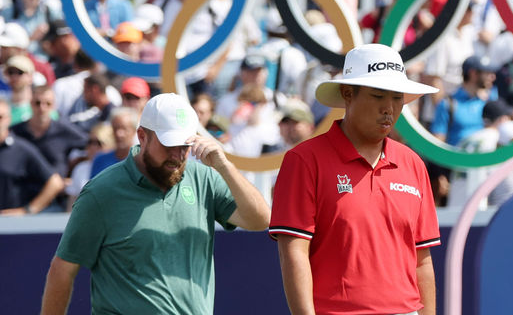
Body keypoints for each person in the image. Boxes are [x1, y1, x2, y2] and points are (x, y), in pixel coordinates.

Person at [41, 93, 271, 313]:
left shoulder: (205, 178)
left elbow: (260, 220)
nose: (178, 155)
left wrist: (225, 166)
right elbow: (63, 269)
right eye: (168, 144)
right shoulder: (101, 191)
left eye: (184, 145)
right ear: (142, 136)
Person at [269, 44, 441, 315]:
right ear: (348, 94)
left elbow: (422, 260)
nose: (389, 108)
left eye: (397, 98)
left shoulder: (413, 163)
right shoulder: (303, 160)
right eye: (378, 96)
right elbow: (294, 253)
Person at [0, 98, 65, 215]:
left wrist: (28, 210)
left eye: (0, 117)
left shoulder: (22, 149)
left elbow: (55, 182)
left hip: (12, 226)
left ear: (8, 119)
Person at [12, 85, 88, 177]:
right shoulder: (16, 131)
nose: (42, 108)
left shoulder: (64, 130)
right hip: (23, 187)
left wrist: (74, 167)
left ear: (54, 106)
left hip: (56, 188)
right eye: (37, 103)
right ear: (30, 103)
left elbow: (92, 145)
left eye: (48, 104)